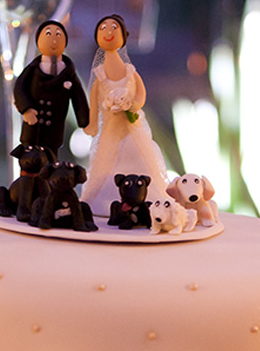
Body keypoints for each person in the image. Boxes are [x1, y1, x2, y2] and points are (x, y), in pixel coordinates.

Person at [80, 14, 170, 208]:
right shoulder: (99, 76)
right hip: (110, 129)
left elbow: (140, 95)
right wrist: (93, 123)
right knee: (105, 163)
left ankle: (149, 196)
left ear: (123, 36)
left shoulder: (130, 72)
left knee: (142, 158)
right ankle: (101, 202)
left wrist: (132, 105)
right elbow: (94, 102)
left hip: (132, 127)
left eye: (114, 28)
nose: (109, 33)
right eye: (103, 29)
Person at [13, 19, 89, 161]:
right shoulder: (32, 70)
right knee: (29, 162)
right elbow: (19, 88)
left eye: (58, 35)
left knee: (50, 162)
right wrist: (26, 108)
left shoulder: (68, 72)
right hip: (32, 128)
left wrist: (85, 122)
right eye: (48, 34)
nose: (53, 40)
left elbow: (79, 98)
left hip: (54, 129)